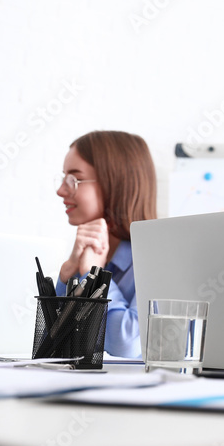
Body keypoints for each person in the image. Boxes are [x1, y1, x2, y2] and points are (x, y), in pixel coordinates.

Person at [54, 130, 157, 358]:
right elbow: (50, 346)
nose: (61, 190)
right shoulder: (85, 258)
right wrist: (67, 274)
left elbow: (127, 345)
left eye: (74, 179)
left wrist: (96, 277)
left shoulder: (159, 260)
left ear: (115, 183)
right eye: (63, 178)